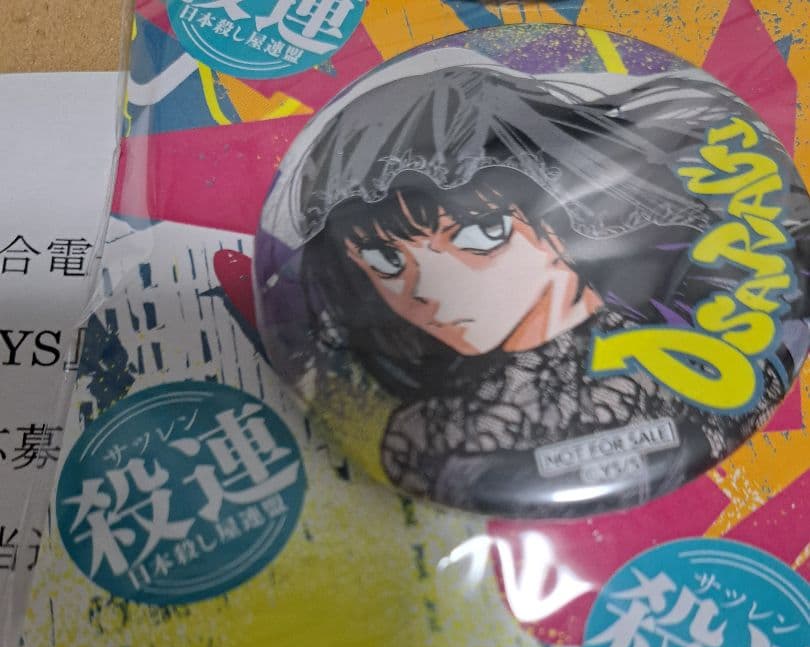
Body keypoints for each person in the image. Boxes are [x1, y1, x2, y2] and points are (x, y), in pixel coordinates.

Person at [255, 45, 810, 516]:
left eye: (481, 234)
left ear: (573, 221)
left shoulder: (704, 358)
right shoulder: (424, 431)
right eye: (384, 258)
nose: (429, 287)